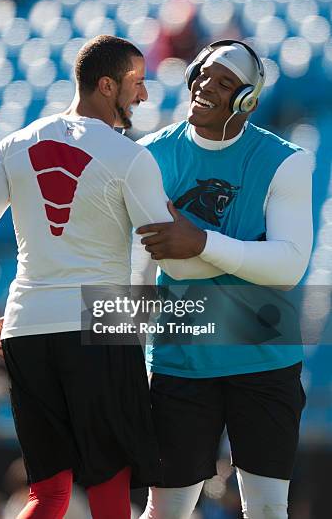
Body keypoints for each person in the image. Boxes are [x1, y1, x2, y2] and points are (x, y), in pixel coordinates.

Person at [0, 34, 211, 519]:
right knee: (108, 493)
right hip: (97, 325)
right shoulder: (131, 157)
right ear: (107, 85)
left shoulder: (16, 144)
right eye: (136, 83)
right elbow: (166, 253)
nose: (144, 95)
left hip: (25, 327)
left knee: (49, 495)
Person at [134, 40, 313, 519]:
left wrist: (200, 244)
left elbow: (289, 267)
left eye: (225, 82)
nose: (206, 87)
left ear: (247, 100)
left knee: (268, 509)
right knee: (167, 508)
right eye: (204, 75)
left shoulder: (287, 160)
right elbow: (147, 264)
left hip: (263, 355)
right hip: (180, 354)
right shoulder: (148, 155)